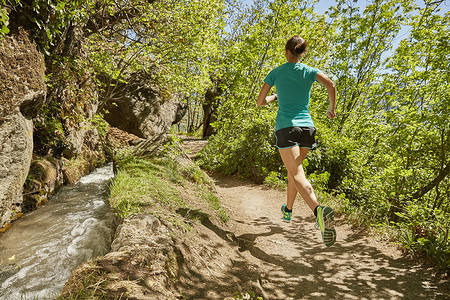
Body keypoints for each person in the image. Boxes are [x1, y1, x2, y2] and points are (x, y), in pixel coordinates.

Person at [257, 35, 337, 247]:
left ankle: (319, 211)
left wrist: (274, 97)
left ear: (286, 52)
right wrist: (332, 108)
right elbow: (331, 84)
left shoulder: (276, 72)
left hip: (287, 127)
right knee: (295, 171)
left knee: (297, 173)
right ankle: (288, 210)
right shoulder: (309, 71)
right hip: (307, 129)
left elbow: (260, 102)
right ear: (303, 53)